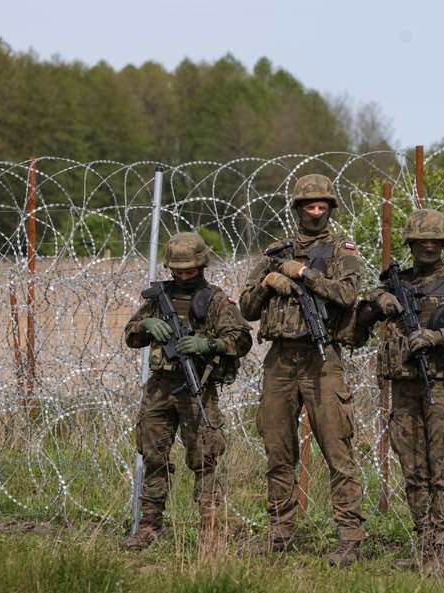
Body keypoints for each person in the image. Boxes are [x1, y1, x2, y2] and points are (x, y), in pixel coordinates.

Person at [238, 173, 366, 567]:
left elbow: (347, 294)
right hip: (279, 360)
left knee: (336, 450)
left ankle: (349, 538)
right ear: (297, 208)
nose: (316, 210)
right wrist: (270, 281)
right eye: (309, 205)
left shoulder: (342, 250)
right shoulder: (275, 251)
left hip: (321, 359)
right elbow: (246, 308)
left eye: (322, 205)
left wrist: (304, 273)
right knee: (278, 451)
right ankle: (280, 533)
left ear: (330, 207)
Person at [356, 208, 444, 576]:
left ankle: (442, 554)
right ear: (411, 244)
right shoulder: (397, 284)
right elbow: (359, 320)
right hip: (404, 391)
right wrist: (378, 301)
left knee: (442, 474)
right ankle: (425, 546)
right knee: (413, 472)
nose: (427, 247)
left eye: (434, 241)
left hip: (443, 390)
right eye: (421, 241)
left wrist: (435, 336)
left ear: (443, 243)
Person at [122, 232, 253, 554]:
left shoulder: (216, 299)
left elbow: (242, 340)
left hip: (198, 388)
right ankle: (150, 525)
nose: (183, 276)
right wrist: (147, 324)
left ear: (202, 266)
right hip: (160, 388)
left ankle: (211, 527)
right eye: (178, 271)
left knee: (205, 458)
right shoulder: (158, 298)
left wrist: (208, 344)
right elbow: (131, 335)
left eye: (189, 270)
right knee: (153, 455)